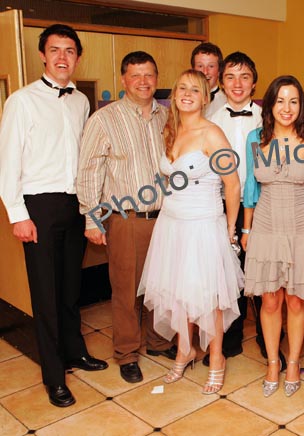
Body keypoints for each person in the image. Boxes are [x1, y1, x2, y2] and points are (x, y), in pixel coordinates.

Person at [0, 24, 108, 408]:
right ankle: (53, 376)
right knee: (45, 294)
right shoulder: (21, 101)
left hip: (74, 203)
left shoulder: (81, 101)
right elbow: (7, 161)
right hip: (38, 207)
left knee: (70, 287)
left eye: (69, 51)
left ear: (78, 57)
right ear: (43, 56)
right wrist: (18, 214)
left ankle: (74, 351)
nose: (62, 57)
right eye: (55, 50)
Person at [138, 69, 243, 394]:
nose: (186, 94)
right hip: (172, 224)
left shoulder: (212, 134)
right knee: (178, 291)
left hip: (203, 224)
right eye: (181, 87)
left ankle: (216, 358)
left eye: (194, 90)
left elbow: (233, 183)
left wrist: (229, 227)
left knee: (208, 295)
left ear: (205, 97)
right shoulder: (172, 130)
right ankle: (185, 350)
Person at [77, 51, 176, 384]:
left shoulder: (168, 117)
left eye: (148, 74)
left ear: (157, 78)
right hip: (126, 218)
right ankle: (127, 352)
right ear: (123, 80)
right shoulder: (104, 119)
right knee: (127, 290)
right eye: (135, 75)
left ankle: (160, 342)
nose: (143, 81)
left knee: (161, 286)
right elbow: (89, 171)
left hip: (166, 217)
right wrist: (91, 219)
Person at [241, 75, 304, 398]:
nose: (286, 108)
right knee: (270, 299)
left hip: (303, 226)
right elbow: (250, 188)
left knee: (295, 299)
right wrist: (246, 229)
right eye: (280, 101)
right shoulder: (255, 138)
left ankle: (293, 361)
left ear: (301, 106)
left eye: (293, 101)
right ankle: (272, 363)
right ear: (270, 104)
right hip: (264, 224)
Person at [204, 51, 274, 368]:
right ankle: (228, 342)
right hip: (223, 206)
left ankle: (267, 339)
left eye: (244, 77)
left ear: (254, 83)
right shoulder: (210, 122)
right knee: (227, 275)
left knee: (263, 276)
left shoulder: (268, 121)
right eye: (230, 76)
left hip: (263, 205)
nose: (237, 83)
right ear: (221, 81)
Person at [191, 41, 226, 118]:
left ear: (219, 70)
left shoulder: (226, 104)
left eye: (211, 66)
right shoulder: (185, 100)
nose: (205, 72)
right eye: (200, 66)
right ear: (193, 70)